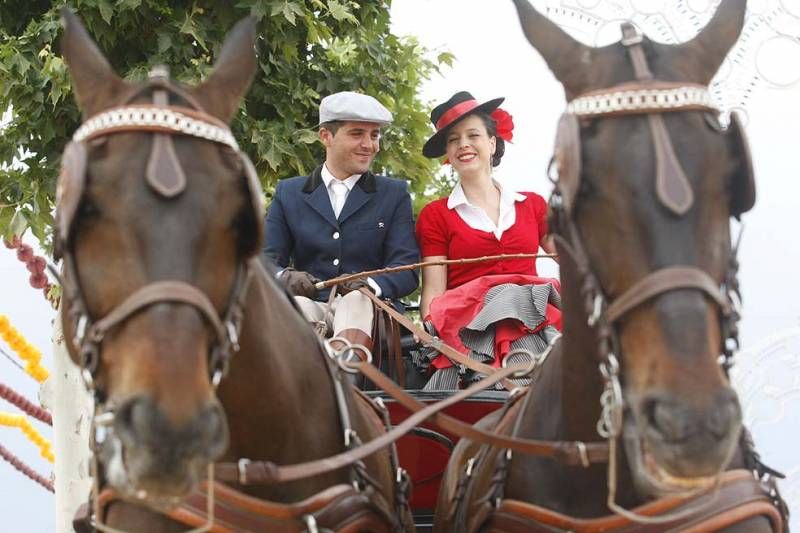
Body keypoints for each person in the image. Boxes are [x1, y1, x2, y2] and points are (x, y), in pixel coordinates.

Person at [415, 91, 561, 390]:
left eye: (473, 135)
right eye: (453, 139)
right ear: (448, 154)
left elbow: (572, 260)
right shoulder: (436, 215)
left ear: (492, 143)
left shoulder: (532, 205)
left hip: (532, 324)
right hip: (469, 333)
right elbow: (434, 287)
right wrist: (430, 332)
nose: (463, 144)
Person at [264, 91, 419, 358]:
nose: (369, 145)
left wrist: (370, 285)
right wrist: (284, 277)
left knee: (356, 301)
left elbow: (406, 270)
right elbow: (264, 261)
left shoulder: (394, 194)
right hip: (312, 307)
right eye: (357, 133)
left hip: (370, 314)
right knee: (297, 305)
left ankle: (345, 375)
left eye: (374, 135)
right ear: (326, 136)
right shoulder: (288, 193)